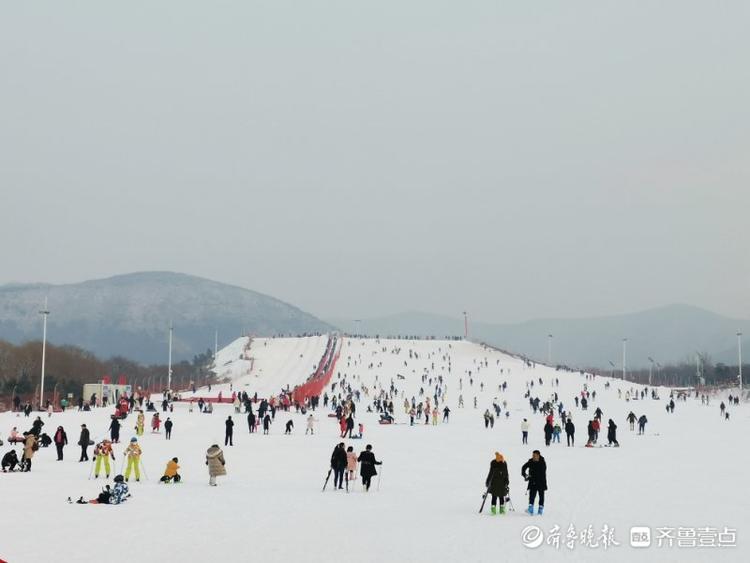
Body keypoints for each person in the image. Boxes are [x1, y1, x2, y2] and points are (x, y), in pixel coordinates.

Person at [521, 450, 547, 515]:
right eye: (533, 455)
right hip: (533, 482)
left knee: (541, 496)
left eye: (535, 455)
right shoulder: (531, 461)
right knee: (532, 495)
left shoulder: (542, 462)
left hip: (541, 482)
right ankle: (530, 508)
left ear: (538, 456)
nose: (533, 457)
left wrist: (530, 475)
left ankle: (540, 509)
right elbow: (523, 467)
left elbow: (541, 472)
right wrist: (525, 475)